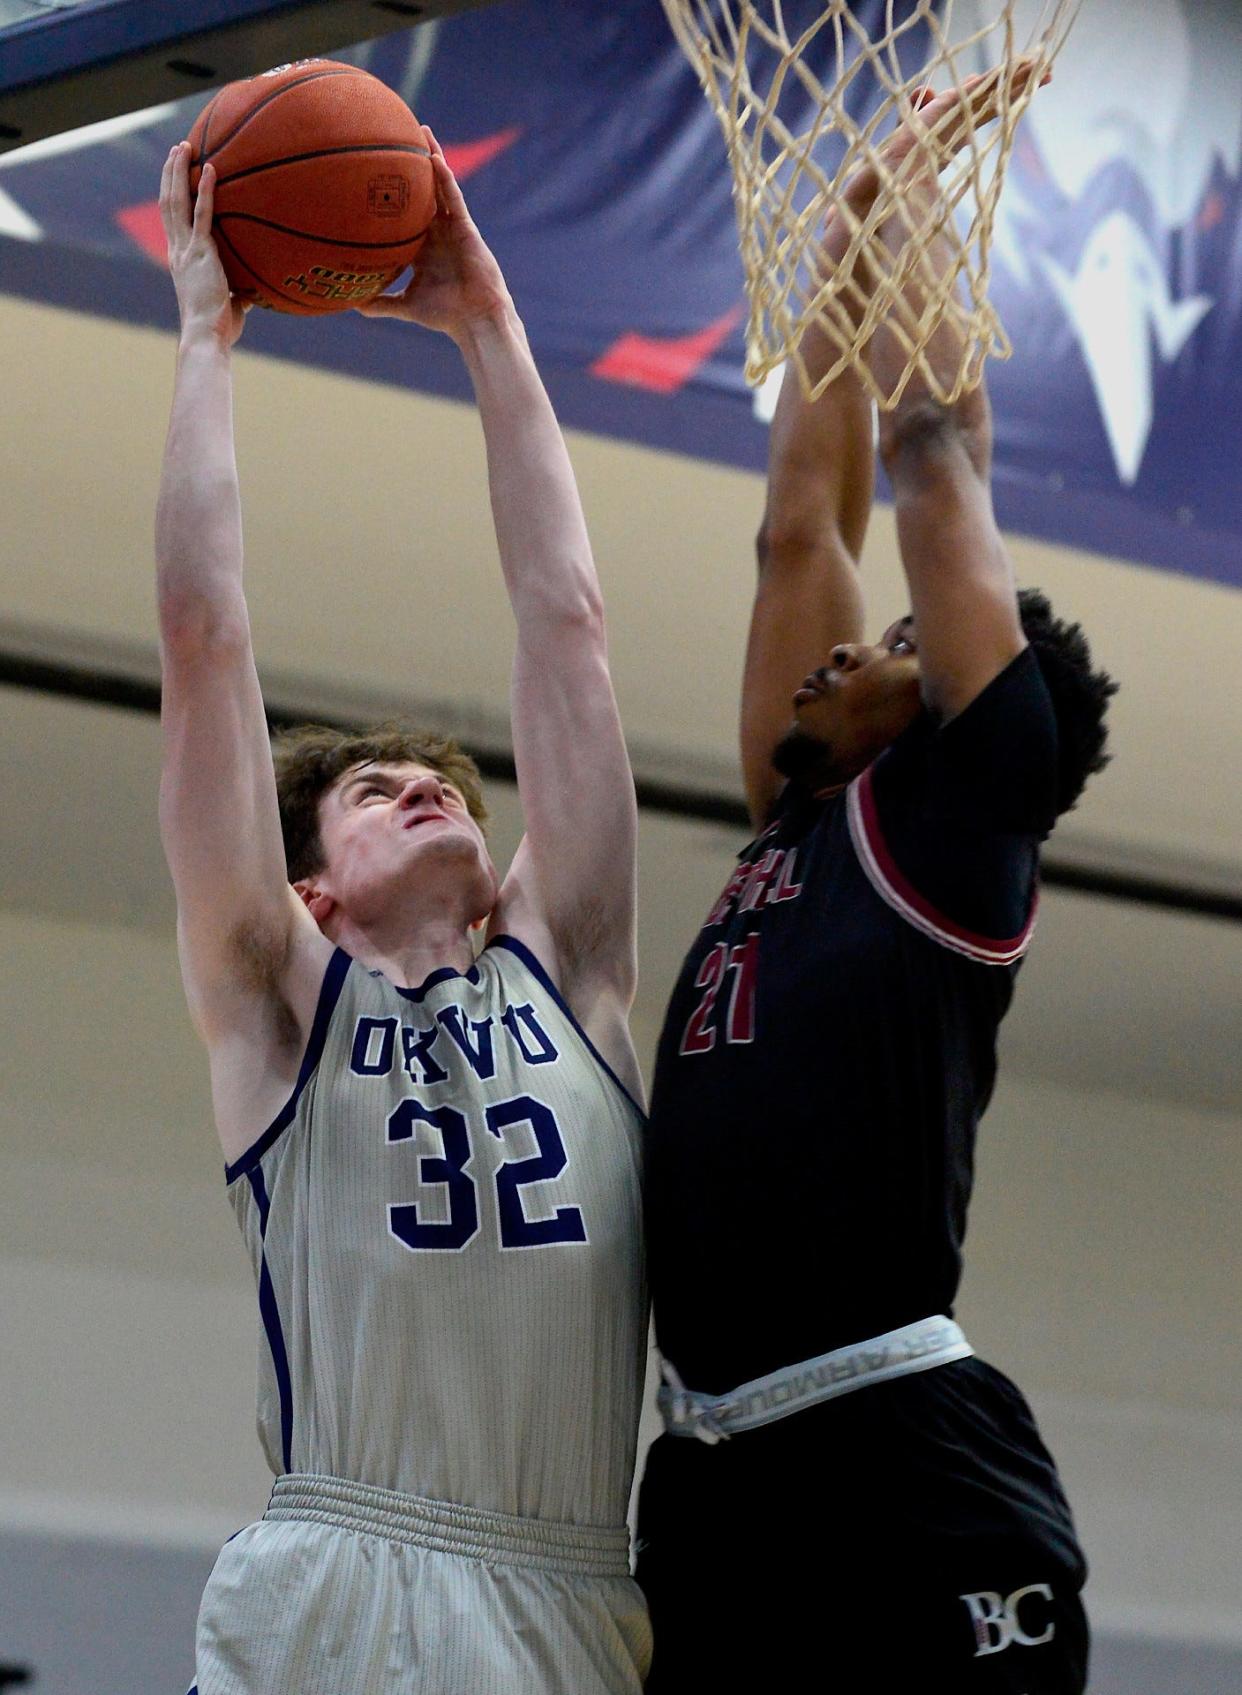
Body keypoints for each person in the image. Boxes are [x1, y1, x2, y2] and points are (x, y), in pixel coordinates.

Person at [635, 69, 1115, 1693]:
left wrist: (912, 197)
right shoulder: (796, 806)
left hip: (899, 1452)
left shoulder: (962, 820)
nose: (851, 638)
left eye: (900, 638)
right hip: (711, 1467)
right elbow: (794, 529)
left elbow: (926, 455)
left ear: (969, 706)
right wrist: (835, 242)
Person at [156, 132, 650, 1694]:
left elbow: (565, 617)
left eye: (442, 787)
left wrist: (487, 326)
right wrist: (202, 339)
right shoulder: (275, 989)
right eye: (373, 794)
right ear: (310, 889)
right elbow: (204, 638)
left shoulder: (568, 966)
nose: (424, 793)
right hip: (339, 1581)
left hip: (574, 1592)